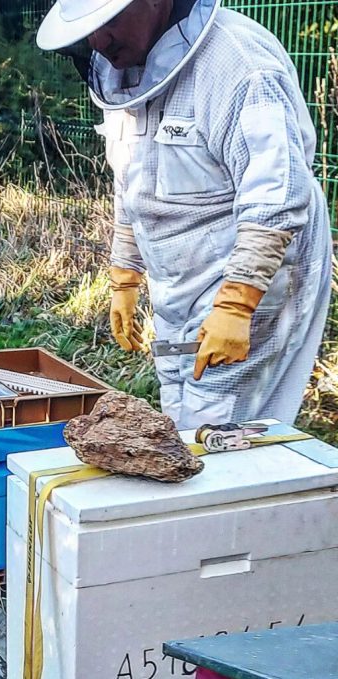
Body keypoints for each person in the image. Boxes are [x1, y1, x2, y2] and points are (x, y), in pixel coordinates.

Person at [37, 0, 333, 429]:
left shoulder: (241, 64)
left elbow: (278, 194)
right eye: (91, 29)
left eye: (111, 21)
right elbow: (133, 182)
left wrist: (238, 303)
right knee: (181, 418)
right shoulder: (126, 73)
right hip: (176, 286)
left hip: (250, 279)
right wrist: (125, 273)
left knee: (218, 430)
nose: (99, 42)